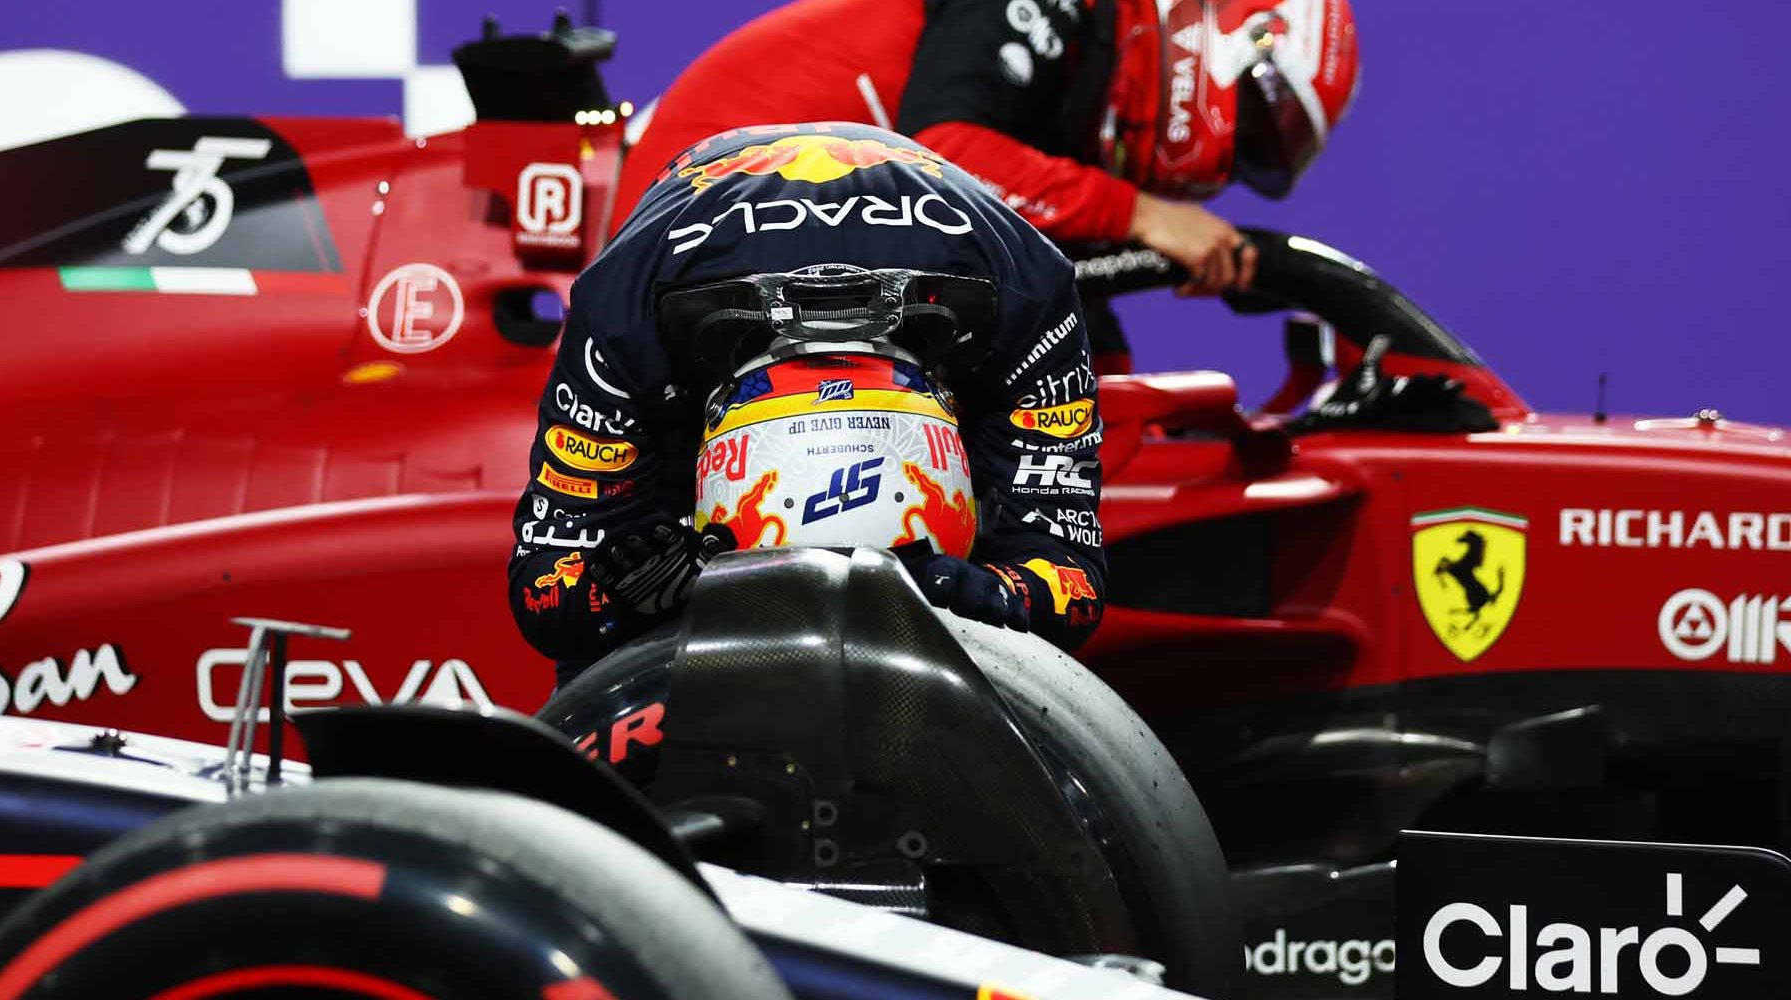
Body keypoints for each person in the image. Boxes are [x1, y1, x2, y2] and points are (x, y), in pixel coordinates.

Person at [510, 122, 1105, 684]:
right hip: (683, 302)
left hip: (956, 278)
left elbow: (1068, 576)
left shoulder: (1027, 300)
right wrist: (615, 593)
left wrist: (987, 592)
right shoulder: (625, 320)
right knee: (614, 637)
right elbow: (546, 596)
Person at [611, 0, 1360, 372]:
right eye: (1259, 127)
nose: (1235, 161)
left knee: (1084, 400)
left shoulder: (1074, 102)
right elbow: (945, 154)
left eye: (1266, 154)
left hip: (776, 261)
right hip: (709, 241)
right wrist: (1142, 217)